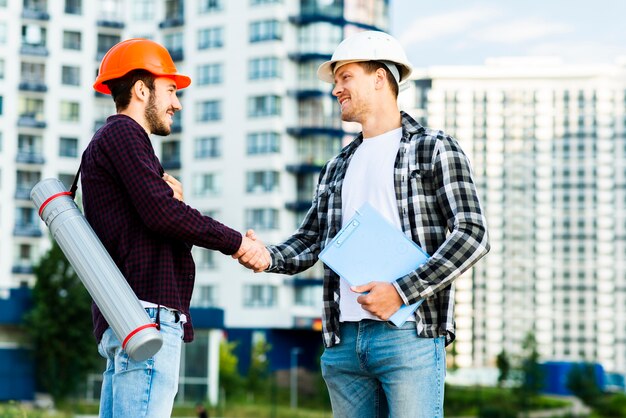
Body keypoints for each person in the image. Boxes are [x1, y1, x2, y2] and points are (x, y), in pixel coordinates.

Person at [240, 31, 489, 417]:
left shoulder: (434, 147)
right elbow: (312, 240)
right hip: (343, 341)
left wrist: (402, 291)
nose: (336, 89)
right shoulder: (337, 165)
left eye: (345, 77)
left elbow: (473, 234)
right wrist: (266, 255)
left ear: (380, 77)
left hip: (409, 336)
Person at [81, 38, 268, 418]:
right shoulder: (124, 135)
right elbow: (160, 215)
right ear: (140, 89)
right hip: (145, 316)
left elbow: (155, 219)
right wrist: (236, 243)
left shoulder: (111, 143)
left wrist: (174, 207)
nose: (177, 103)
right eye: (170, 90)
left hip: (128, 317)